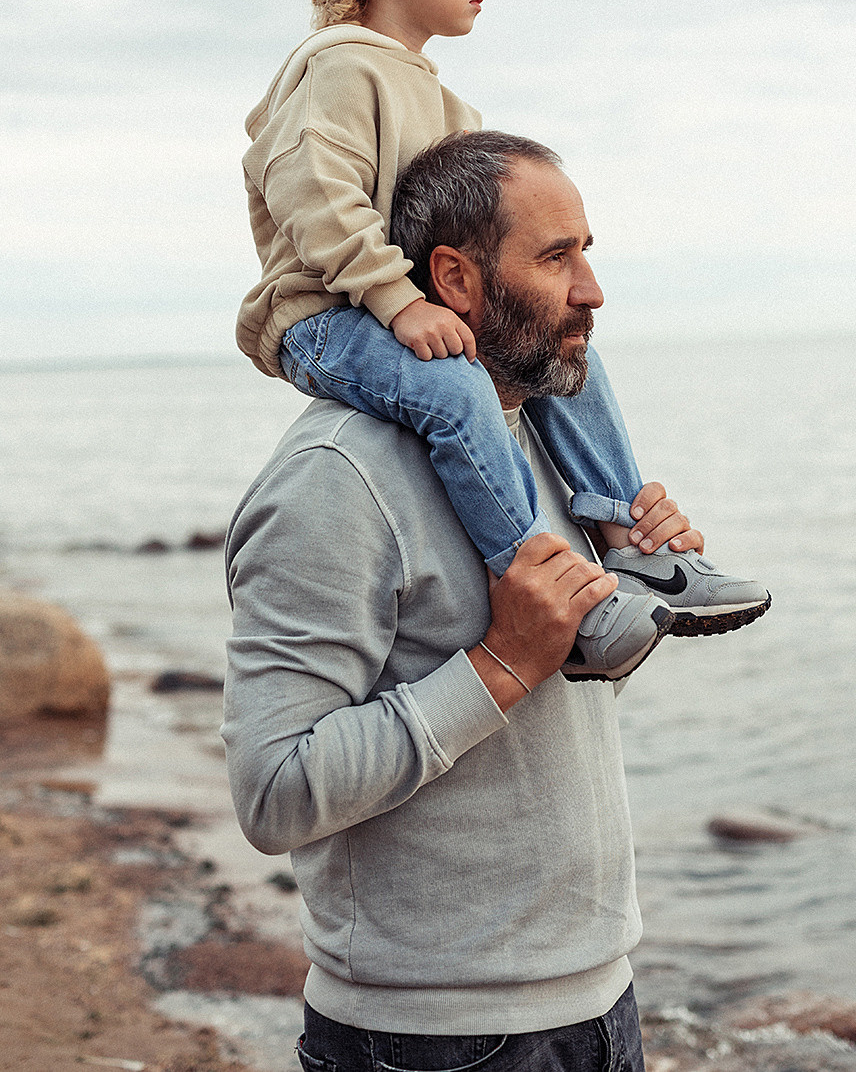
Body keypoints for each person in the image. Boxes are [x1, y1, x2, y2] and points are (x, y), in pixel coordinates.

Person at [225, 130, 741, 1070]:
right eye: (556, 257)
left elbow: (559, 688)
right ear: (454, 281)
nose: (591, 289)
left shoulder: (537, 448)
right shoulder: (332, 478)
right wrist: (502, 662)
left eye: (588, 251)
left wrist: (626, 594)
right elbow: (273, 795)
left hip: (602, 998)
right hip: (427, 1037)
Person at [235, 0, 769, 678]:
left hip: (410, 306)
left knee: (563, 353)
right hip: (327, 319)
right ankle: (552, 596)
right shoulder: (337, 68)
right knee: (454, 389)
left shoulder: (445, 101)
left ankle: (632, 544)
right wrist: (395, 299)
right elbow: (313, 194)